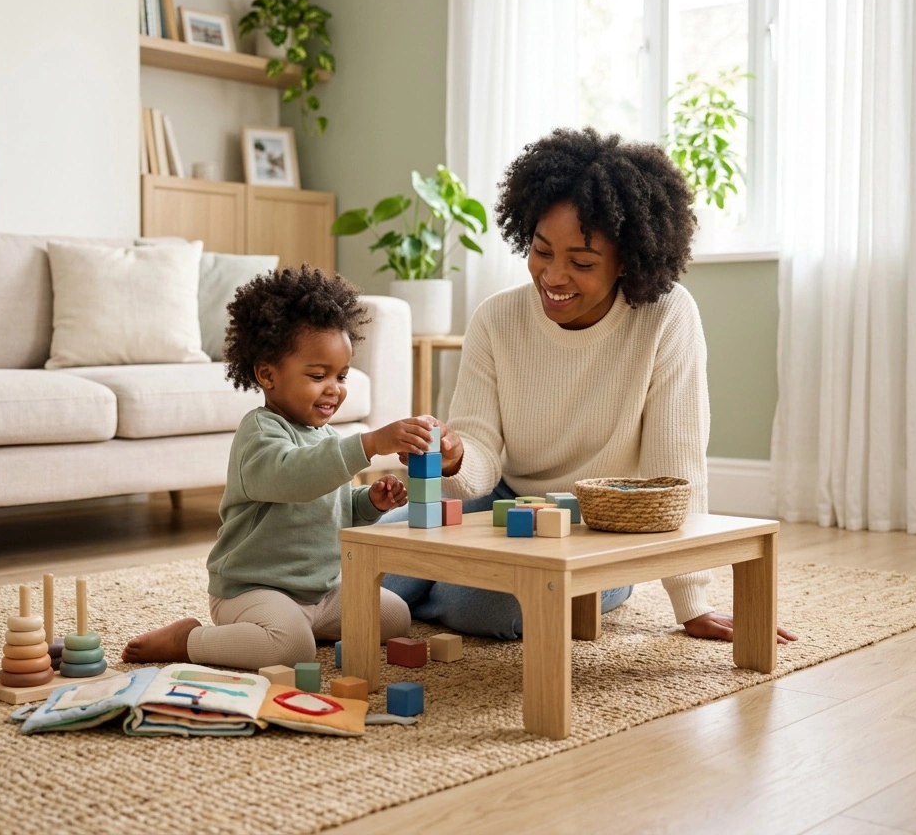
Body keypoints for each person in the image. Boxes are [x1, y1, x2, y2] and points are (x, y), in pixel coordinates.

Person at [382, 127, 797, 645]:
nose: (554, 277)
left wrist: (692, 603)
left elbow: (676, 470)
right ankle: (411, 594)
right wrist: (455, 456)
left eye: (581, 262)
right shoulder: (496, 318)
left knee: (489, 607)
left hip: (600, 526)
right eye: (540, 251)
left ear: (627, 260)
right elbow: (482, 452)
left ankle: (416, 598)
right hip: (506, 504)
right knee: (381, 545)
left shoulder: (666, 317)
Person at [123, 265, 434, 670]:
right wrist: (370, 443)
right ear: (267, 374)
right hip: (254, 590)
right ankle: (190, 641)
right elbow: (294, 478)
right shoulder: (259, 432)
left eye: (341, 376)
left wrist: (369, 503)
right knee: (290, 651)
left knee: (395, 616)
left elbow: (328, 506)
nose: (335, 388)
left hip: (321, 591)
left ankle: (302, 627)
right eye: (318, 375)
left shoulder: (324, 438)